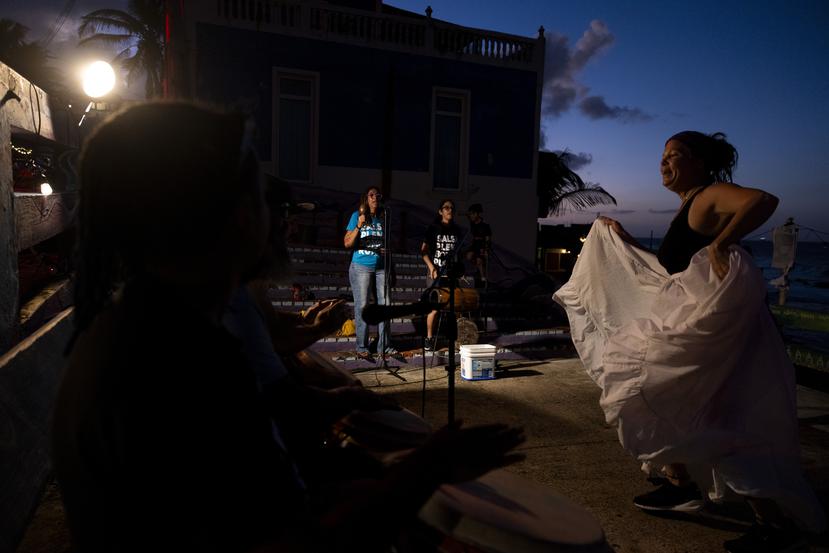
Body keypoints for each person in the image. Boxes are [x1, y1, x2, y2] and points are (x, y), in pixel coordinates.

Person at [52, 101, 526, 553]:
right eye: (265, 204)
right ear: (235, 217)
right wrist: (425, 472)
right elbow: (292, 547)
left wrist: (348, 415)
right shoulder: (180, 362)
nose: (286, 228)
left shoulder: (159, 328)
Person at [555, 131, 825, 553]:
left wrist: (723, 240)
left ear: (700, 162)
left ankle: (770, 525)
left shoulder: (709, 195)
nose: (664, 163)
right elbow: (673, 269)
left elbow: (763, 200)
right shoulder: (689, 204)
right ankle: (681, 484)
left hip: (717, 340)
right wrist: (620, 240)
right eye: (662, 156)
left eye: (675, 155)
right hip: (699, 328)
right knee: (672, 403)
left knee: (710, 416)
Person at [343, 185, 395, 362]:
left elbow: (384, 243)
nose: (375, 198)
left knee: (385, 304)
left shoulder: (383, 219)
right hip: (361, 266)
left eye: (377, 195)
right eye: (371, 195)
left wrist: (387, 251)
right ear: (366, 198)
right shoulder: (356, 216)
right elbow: (347, 243)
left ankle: (384, 346)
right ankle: (362, 347)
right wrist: (359, 225)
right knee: (363, 305)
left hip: (381, 267)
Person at [420, 199, 463, 351]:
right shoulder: (433, 228)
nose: (449, 210)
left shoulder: (457, 231)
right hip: (435, 274)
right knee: (434, 308)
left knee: (455, 306)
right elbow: (423, 251)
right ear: (440, 211)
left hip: (450, 275)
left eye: (452, 207)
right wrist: (431, 267)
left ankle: (456, 339)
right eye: (446, 207)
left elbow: (458, 254)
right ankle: (429, 339)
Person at [465, 203, 491, 288]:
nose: (471, 216)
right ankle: (476, 269)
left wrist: (486, 249)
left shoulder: (485, 226)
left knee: (480, 261)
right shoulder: (472, 224)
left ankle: (483, 279)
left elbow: (487, 239)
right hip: (475, 244)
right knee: (468, 256)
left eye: (472, 214)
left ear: (476, 214)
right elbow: (467, 215)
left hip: (482, 245)